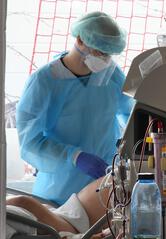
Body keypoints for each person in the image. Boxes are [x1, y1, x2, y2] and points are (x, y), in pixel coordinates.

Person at [16, 12, 134, 206]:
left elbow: (130, 114)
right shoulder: (44, 81)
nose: (105, 59)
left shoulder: (110, 75)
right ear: (80, 40)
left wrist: (127, 151)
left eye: (108, 54)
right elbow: (30, 142)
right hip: (59, 192)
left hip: (103, 186)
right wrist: (75, 156)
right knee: (62, 234)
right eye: (100, 52)